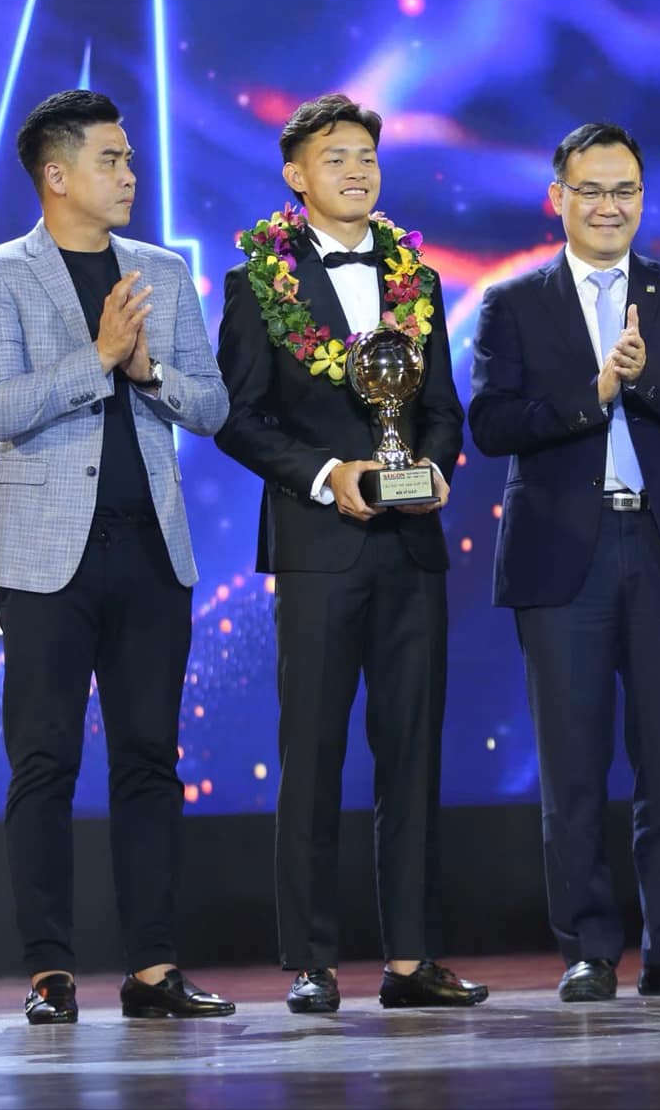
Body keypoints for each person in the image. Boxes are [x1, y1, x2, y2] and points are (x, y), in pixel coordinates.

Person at [0, 89, 232, 1025]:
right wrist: (103, 355)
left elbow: (215, 405)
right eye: (111, 159)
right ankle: (49, 968)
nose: (129, 173)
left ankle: (154, 968)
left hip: (151, 545)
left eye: (128, 158)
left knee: (151, 756)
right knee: (45, 759)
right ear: (56, 174)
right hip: (46, 556)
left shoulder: (163, 269)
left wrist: (150, 370)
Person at [215, 93, 486, 1013]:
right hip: (319, 544)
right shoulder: (258, 281)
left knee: (413, 754)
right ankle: (311, 959)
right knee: (314, 753)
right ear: (296, 176)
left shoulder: (418, 276)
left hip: (412, 544)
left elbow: (443, 407)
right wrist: (328, 470)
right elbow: (237, 418)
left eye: (367, 155)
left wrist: (437, 466)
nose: (357, 170)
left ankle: (412, 958)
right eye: (336, 157)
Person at [468, 122, 660, 1003]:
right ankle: (588, 947)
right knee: (574, 771)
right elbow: (492, 425)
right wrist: (593, 396)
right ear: (558, 198)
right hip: (563, 559)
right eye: (591, 189)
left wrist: (643, 379)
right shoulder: (515, 303)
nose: (609, 205)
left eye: (625, 189)